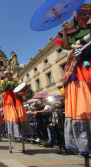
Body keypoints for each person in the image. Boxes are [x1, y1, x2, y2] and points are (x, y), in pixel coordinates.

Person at [57, 3, 91, 155]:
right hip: (79, 63)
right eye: (84, 14)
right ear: (78, 17)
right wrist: (65, 31)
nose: (88, 16)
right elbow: (65, 46)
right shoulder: (74, 31)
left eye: (89, 14)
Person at [0, 69, 33, 139]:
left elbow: (17, 87)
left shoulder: (14, 80)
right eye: (7, 74)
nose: (9, 75)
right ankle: (14, 132)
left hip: (15, 95)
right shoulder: (3, 80)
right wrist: (4, 81)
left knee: (21, 115)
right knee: (13, 116)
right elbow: (3, 86)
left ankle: (24, 131)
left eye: (10, 74)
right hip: (8, 96)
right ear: (6, 75)